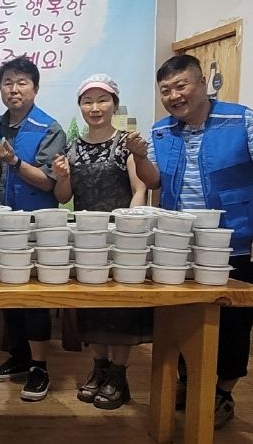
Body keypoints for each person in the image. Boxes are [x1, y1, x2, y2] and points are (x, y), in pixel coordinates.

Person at [128, 54, 253, 429]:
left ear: (202, 83)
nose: (173, 96)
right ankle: (188, 381)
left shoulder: (241, 120)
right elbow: (153, 181)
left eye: (180, 85)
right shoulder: (160, 131)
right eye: (165, 90)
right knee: (180, 318)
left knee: (232, 323)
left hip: (234, 241)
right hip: (178, 245)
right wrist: (139, 156)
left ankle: (223, 393)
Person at [52, 73, 149, 409]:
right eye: (88, 101)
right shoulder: (72, 147)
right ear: (80, 106)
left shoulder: (126, 144)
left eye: (102, 100)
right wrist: (62, 176)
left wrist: (129, 229)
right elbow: (63, 197)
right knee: (92, 304)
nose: (95, 108)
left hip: (121, 238)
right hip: (88, 238)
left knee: (120, 307)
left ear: (114, 105)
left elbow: (140, 189)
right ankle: (99, 368)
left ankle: (118, 375)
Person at [0, 56, 66, 402]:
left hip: (37, 225)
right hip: (2, 223)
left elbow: (49, 182)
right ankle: (19, 356)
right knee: (9, 292)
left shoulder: (49, 128)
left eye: (22, 82)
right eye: (8, 82)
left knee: (35, 297)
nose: (14, 89)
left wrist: (14, 161)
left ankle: (39, 367)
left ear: (35, 88)